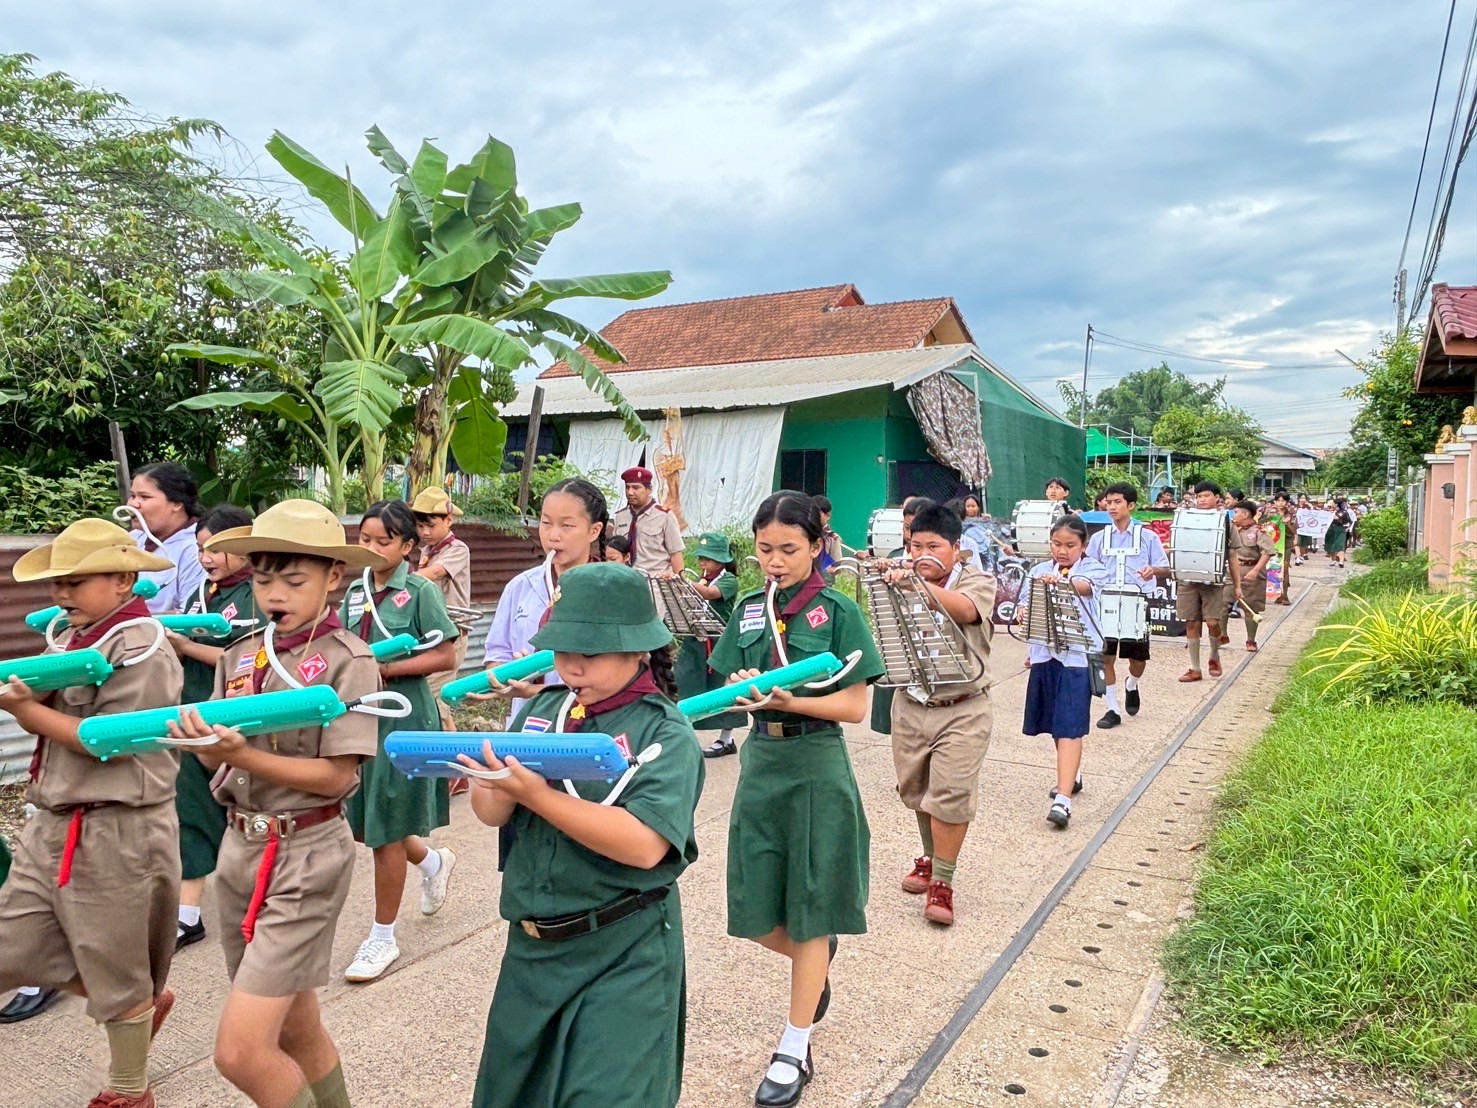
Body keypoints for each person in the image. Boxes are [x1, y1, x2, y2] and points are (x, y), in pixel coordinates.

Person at [462, 562, 704, 1108]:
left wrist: (535, 794)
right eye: (561, 650)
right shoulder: (544, 708)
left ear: (637, 650)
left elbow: (645, 844)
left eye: (590, 653)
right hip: (533, 949)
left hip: (624, 947)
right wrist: (490, 779)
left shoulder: (664, 731)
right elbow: (491, 814)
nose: (572, 666)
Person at [169, 499, 381, 1108]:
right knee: (296, 1026)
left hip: (306, 853)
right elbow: (218, 763)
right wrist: (205, 746)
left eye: (293, 580)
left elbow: (336, 777)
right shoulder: (238, 656)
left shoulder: (349, 661)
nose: (275, 594)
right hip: (240, 850)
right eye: (264, 581)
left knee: (239, 1052)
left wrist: (243, 753)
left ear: (333, 577)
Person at [708, 491, 886, 1107]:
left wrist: (792, 701)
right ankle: (816, 963)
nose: (775, 561)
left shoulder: (837, 611)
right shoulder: (747, 610)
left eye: (789, 548)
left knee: (810, 904)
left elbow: (855, 707)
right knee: (753, 905)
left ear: (816, 546)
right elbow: (728, 686)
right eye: (765, 549)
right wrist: (741, 691)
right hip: (761, 761)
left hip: (815, 763)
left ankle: (794, 1045)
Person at [0, 518, 183, 1106]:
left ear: (123, 579)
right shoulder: (73, 639)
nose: (62, 594)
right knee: (13, 945)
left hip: (117, 826)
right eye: (57, 582)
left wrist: (27, 713)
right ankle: (136, 1005)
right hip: (53, 820)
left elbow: (110, 740)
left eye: (76, 581)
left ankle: (130, 1088)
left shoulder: (143, 648)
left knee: (116, 960)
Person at [340, 500, 461, 983]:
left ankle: (382, 937)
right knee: (367, 823)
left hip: (403, 717)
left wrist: (385, 669)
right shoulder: (354, 591)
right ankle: (433, 862)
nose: (372, 549)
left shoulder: (419, 591)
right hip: (359, 717)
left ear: (408, 546)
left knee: (384, 831)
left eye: (383, 541)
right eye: (364, 540)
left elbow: (446, 655)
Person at [475, 478, 608, 869]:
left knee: (580, 851)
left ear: (594, 530)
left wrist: (538, 692)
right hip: (526, 736)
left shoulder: (610, 590)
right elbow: (496, 654)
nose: (553, 535)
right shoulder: (521, 586)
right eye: (546, 523)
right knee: (524, 853)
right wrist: (504, 678)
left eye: (567, 525)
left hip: (584, 736)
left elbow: (615, 676)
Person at [887, 504, 995, 928]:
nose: (923, 555)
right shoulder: (900, 578)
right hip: (912, 704)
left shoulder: (977, 580)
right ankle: (931, 857)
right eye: (916, 546)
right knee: (917, 791)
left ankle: (942, 882)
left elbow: (966, 610)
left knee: (951, 794)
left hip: (963, 707)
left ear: (956, 548)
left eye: (934, 547)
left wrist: (914, 584)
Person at [166, 504, 261, 951]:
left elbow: (250, 660)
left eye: (217, 549)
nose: (206, 558)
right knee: (190, 806)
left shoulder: (258, 594)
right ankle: (188, 914)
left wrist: (187, 646)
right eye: (201, 549)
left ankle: (265, 898)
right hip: (194, 714)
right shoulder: (201, 594)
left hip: (240, 717)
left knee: (252, 804)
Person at [1020, 516, 1108, 829]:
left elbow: (1086, 588)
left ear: (1083, 546)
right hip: (1044, 654)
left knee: (1070, 725)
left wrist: (1062, 582)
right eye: (1057, 544)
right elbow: (1025, 604)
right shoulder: (1038, 571)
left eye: (1070, 545)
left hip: (1077, 658)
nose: (1062, 551)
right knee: (1056, 723)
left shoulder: (1093, 569)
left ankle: (1063, 800)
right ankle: (1073, 774)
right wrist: (1023, 611)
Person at [1085, 482, 1169, 729]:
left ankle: (1131, 683)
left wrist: (1152, 570)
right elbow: (1088, 567)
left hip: (1136, 602)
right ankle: (1112, 709)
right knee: (1106, 657)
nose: (1112, 507)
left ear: (1130, 505)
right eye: (1108, 502)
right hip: (1106, 602)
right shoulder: (1099, 538)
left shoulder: (1148, 536)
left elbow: (1165, 568)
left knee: (1137, 659)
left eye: (1117, 502)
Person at [870, 497, 934, 737]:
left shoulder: (940, 562)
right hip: (898, 639)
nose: (909, 535)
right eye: (907, 528)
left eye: (916, 528)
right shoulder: (895, 556)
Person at [410, 486, 473, 731]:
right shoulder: (427, 551)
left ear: (449, 520)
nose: (425, 532)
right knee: (434, 700)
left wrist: (402, 581)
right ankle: (453, 748)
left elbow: (435, 573)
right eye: (420, 526)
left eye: (431, 525)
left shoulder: (457, 549)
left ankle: (449, 750)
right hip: (432, 635)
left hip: (452, 634)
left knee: (433, 698)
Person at [681, 532, 748, 758]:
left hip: (721, 641)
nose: (702, 563)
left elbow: (711, 594)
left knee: (723, 689)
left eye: (708, 559)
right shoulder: (703, 579)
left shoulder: (728, 580)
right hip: (697, 638)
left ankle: (726, 739)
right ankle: (684, 735)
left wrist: (685, 583)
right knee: (687, 684)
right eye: (701, 558)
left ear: (722, 560)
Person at [125, 461, 210, 614]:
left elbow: (189, 614)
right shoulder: (132, 538)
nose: (133, 504)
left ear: (177, 503)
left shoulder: (195, 547)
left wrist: (131, 619)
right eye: (132, 496)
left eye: (144, 497)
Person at [1174, 481, 1230, 682]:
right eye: (1199, 496)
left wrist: (1237, 584)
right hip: (1188, 579)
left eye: (1206, 495)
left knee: (1213, 622)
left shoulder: (1224, 520)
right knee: (1191, 622)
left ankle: (1214, 654)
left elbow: (1231, 554)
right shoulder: (1186, 518)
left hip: (1213, 581)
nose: (1202, 500)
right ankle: (1194, 668)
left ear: (1217, 497)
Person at [611, 466, 684, 577]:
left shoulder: (664, 516)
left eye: (636, 488)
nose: (630, 492)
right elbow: (615, 551)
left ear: (649, 489)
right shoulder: (621, 516)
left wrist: (680, 581)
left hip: (655, 580)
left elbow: (675, 554)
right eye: (627, 487)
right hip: (626, 579)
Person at [1225, 500, 1276, 653]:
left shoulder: (1259, 531)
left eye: (1236, 512)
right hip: (1232, 570)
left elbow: (1267, 552)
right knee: (1222, 603)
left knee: (1251, 607)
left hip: (1251, 569)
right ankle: (1221, 635)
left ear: (1245, 514)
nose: (1234, 515)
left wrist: (1255, 571)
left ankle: (1251, 640)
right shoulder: (1231, 529)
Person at [1272, 490, 1295, 605]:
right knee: (1274, 568)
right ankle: (1276, 594)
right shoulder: (1270, 513)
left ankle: (1284, 594)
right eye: (1278, 500)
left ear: (1286, 502)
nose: (1280, 503)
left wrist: (1287, 523)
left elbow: (1294, 530)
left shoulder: (1291, 514)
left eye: (1283, 501)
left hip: (1286, 543)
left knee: (1284, 568)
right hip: (1274, 544)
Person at [813, 495, 845, 571]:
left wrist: (829, 568)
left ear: (827, 516)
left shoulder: (833, 538)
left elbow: (836, 568)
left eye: (817, 514)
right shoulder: (802, 534)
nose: (813, 517)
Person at [1325, 498, 1352, 568]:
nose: (1331, 504)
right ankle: (1333, 560)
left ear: (1336, 504)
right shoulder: (1329, 512)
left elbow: (1349, 521)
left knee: (1340, 544)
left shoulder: (1344, 512)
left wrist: (1339, 519)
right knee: (1331, 544)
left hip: (1340, 529)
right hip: (1331, 530)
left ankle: (1341, 561)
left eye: (1333, 503)